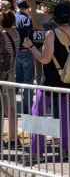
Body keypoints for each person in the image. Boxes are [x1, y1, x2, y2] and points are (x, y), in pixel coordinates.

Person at [24, 1, 70, 156]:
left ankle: (37, 149)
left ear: (55, 18)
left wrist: (31, 47)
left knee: (38, 112)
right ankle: (66, 148)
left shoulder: (51, 34)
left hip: (51, 80)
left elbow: (44, 59)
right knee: (66, 114)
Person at [0, 10, 19, 145]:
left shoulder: (2, 35)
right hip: (12, 72)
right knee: (12, 107)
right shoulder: (16, 34)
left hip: (3, 74)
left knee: (2, 107)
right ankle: (13, 137)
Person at [14, 0, 34, 112]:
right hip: (26, 51)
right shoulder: (27, 19)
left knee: (17, 79)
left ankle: (11, 104)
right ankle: (27, 108)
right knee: (28, 81)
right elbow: (29, 34)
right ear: (26, 7)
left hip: (16, 52)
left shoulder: (13, 18)